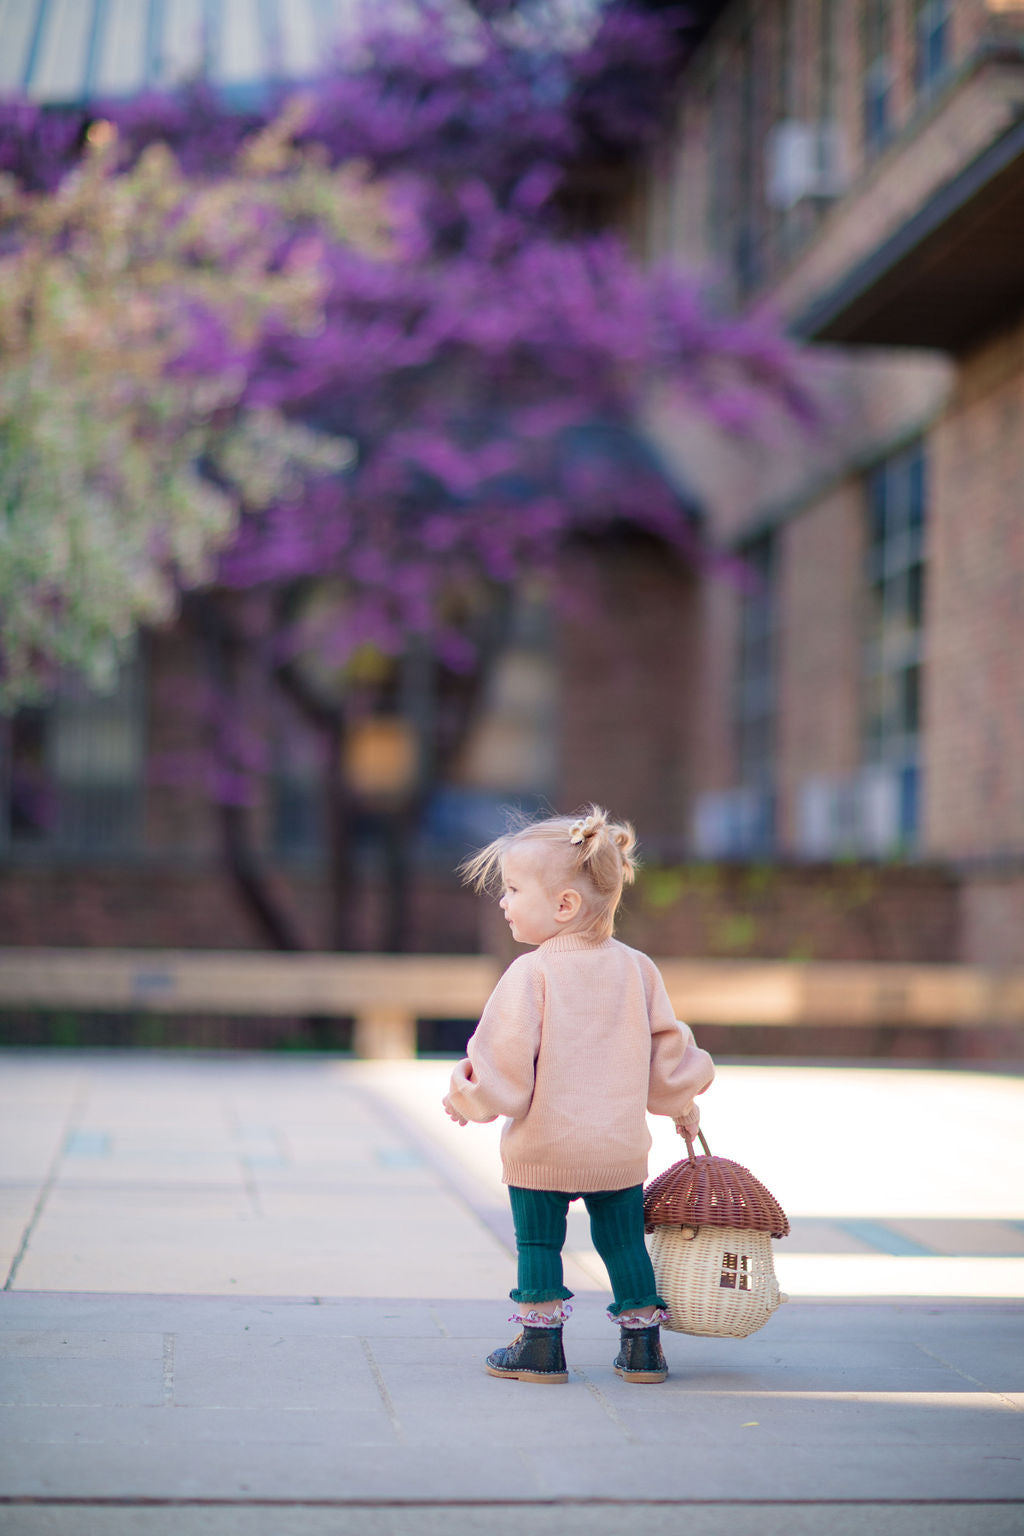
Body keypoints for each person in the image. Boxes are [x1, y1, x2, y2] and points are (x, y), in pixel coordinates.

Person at [442, 804, 714, 1385]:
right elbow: (665, 1053)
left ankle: (540, 1348)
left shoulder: (530, 974)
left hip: (542, 1150)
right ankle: (643, 1349)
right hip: (617, 1151)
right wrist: (682, 1104)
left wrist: (470, 1100)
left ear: (564, 905)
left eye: (513, 889)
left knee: (539, 1242)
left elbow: (502, 1066)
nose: (503, 900)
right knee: (624, 1248)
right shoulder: (638, 970)